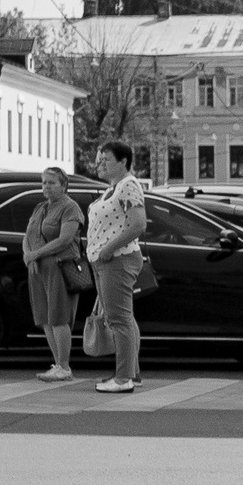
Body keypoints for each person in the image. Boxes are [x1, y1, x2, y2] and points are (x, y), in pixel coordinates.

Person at [84, 141, 147, 396]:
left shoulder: (129, 185)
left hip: (117, 260)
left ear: (123, 161)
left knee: (119, 320)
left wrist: (108, 249)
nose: (100, 164)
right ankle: (132, 373)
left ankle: (123, 379)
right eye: (99, 160)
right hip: (106, 262)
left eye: (106, 160)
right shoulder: (113, 188)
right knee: (123, 319)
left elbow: (138, 224)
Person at [22, 165, 86, 381]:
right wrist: (27, 254)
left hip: (60, 267)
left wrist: (36, 253)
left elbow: (65, 239)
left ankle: (65, 366)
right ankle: (57, 363)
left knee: (59, 316)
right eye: (43, 183)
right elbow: (28, 234)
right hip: (38, 269)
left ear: (63, 185)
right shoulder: (40, 207)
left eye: (51, 183)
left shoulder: (70, 208)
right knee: (45, 318)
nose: (46, 187)